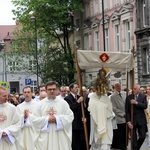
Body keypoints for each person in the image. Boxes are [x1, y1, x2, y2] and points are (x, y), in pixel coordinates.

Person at [34, 81, 74, 150]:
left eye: (54, 89)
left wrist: (57, 119)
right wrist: (47, 119)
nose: (52, 91)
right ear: (46, 91)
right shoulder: (40, 104)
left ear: (57, 90)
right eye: (49, 89)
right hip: (45, 136)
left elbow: (70, 116)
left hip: (59, 135)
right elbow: (34, 119)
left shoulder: (63, 103)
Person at [88, 68, 114, 150]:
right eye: (100, 87)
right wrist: (103, 106)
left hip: (107, 123)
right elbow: (92, 108)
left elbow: (110, 108)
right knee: (98, 144)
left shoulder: (106, 98)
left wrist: (105, 107)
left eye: (104, 87)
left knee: (106, 144)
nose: (102, 90)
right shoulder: (92, 98)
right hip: (96, 125)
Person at [64, 82, 87, 150]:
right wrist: (78, 102)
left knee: (82, 142)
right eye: (76, 87)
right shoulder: (67, 98)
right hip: (73, 124)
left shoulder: (80, 97)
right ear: (71, 89)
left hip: (81, 123)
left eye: (78, 87)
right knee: (75, 143)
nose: (77, 89)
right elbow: (72, 108)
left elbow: (83, 109)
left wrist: (84, 116)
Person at [126, 84, 147, 150]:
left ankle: (136, 148)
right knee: (133, 139)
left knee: (142, 136)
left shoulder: (143, 96)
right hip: (132, 120)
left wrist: (136, 103)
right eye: (133, 88)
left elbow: (145, 106)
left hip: (141, 120)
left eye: (135, 89)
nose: (133, 90)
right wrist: (128, 121)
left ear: (138, 89)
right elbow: (127, 111)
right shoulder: (129, 97)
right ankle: (135, 148)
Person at [110, 82, 126, 150]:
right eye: (117, 86)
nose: (119, 87)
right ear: (115, 87)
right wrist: (122, 113)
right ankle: (122, 148)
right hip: (120, 118)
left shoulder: (124, 94)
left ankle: (125, 146)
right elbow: (113, 108)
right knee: (121, 135)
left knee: (125, 134)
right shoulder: (113, 96)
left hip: (126, 117)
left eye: (120, 86)